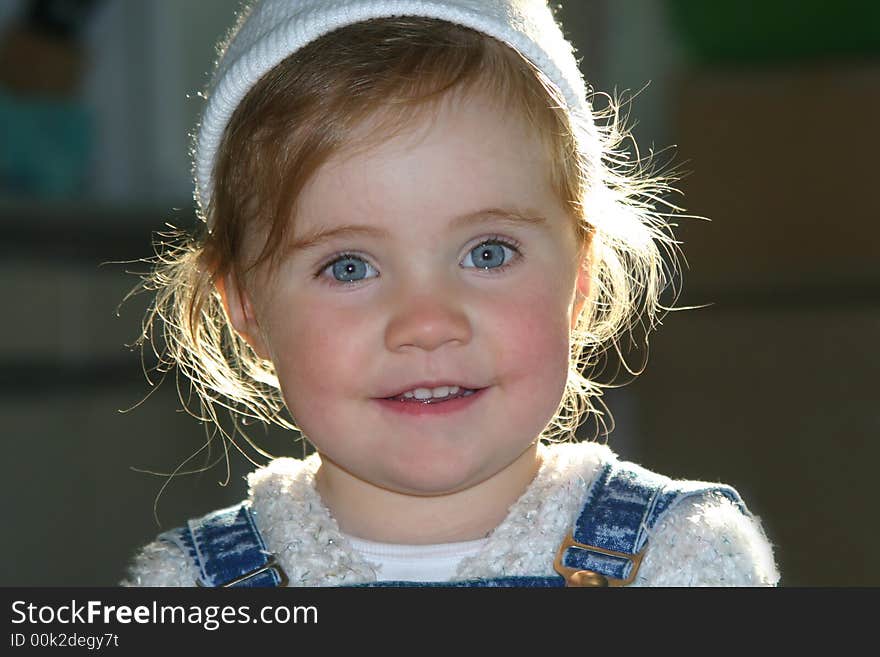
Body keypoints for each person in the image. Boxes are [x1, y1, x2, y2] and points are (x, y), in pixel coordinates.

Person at [122, 0, 779, 587]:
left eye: (487, 254)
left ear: (579, 275)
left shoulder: (682, 560)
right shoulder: (184, 584)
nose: (428, 323)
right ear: (247, 308)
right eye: (349, 266)